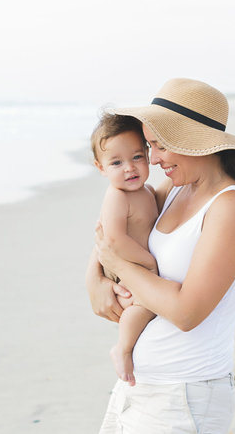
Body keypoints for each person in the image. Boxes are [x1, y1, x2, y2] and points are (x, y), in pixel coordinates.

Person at [86, 78, 235, 433]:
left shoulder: (233, 207)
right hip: (139, 387)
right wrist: (94, 279)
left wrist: (120, 266)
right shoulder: (175, 188)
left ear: (194, 142)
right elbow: (114, 236)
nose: (153, 160)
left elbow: (187, 312)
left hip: (183, 397)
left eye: (159, 146)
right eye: (149, 146)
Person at [90, 113, 159, 387]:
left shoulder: (149, 191)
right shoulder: (116, 197)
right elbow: (115, 239)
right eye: (116, 162)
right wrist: (150, 263)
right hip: (124, 266)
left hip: (136, 265)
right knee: (143, 305)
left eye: (137, 157)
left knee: (150, 302)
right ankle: (124, 347)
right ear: (101, 168)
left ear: (147, 154)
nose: (129, 168)